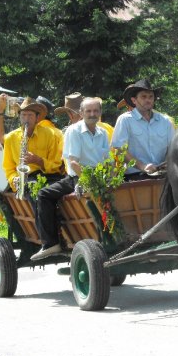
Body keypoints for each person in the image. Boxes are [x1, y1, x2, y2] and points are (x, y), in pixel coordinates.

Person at [31, 97, 110, 260]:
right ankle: (51, 243)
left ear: (100, 113)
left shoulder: (102, 133)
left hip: (99, 178)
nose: (92, 114)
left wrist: (109, 176)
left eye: (95, 111)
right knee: (43, 194)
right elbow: (73, 162)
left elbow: (107, 161)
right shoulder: (74, 131)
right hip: (78, 177)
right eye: (88, 111)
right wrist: (89, 180)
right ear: (81, 113)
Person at [111, 79, 174, 179]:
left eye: (150, 97)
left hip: (163, 175)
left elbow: (173, 148)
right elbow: (119, 149)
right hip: (135, 177)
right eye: (143, 96)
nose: (148, 100)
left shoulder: (165, 121)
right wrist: (142, 166)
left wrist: (167, 163)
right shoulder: (125, 120)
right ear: (134, 100)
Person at [1, 97, 63, 192]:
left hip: (49, 177)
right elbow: (8, 168)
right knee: (32, 189)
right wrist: (14, 179)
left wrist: (39, 161)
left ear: (37, 118)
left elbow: (56, 166)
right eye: (23, 115)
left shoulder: (50, 135)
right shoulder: (10, 138)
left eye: (30, 116)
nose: (26, 119)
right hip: (26, 179)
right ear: (19, 117)